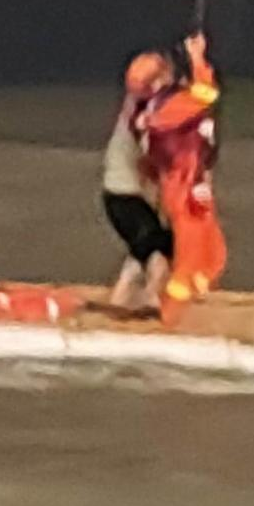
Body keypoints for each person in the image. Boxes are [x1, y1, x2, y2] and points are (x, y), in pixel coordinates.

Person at [130, 31, 226, 326]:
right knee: (192, 256)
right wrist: (197, 57)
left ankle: (192, 290)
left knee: (213, 253)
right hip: (184, 186)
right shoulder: (170, 108)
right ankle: (169, 315)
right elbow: (206, 93)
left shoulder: (149, 112)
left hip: (184, 183)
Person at [100, 45, 182, 311]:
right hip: (126, 194)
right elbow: (149, 158)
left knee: (145, 245)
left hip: (123, 192)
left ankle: (121, 295)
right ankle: (152, 297)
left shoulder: (141, 107)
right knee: (158, 247)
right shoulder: (146, 114)